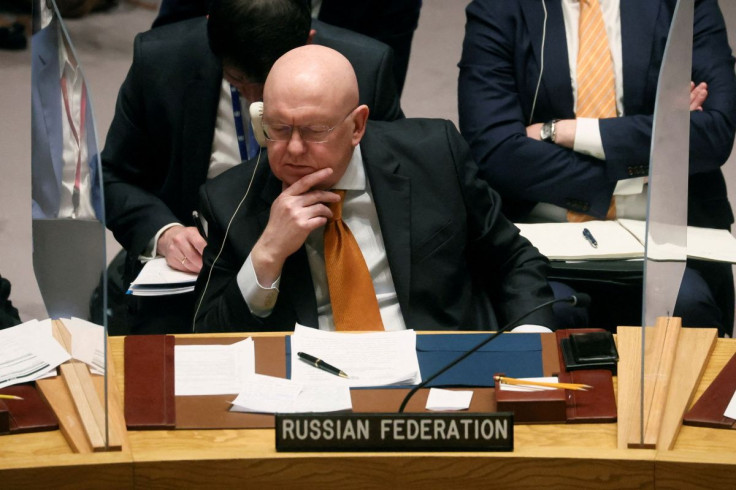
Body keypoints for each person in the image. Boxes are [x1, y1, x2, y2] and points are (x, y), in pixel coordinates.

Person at [193, 44, 557, 333]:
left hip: (441, 371)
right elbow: (206, 341)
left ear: (357, 126)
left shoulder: (435, 156)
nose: (294, 149)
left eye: (315, 130)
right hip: (313, 391)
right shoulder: (231, 201)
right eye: (279, 128)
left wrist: (528, 342)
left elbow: (513, 260)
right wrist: (267, 254)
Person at [101, 0, 403, 333]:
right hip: (197, 270)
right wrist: (164, 234)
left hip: (319, 257)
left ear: (309, 41)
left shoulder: (364, 68)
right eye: (239, 82)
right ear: (210, 36)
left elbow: (394, 177)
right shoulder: (159, 60)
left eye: (272, 77)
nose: (258, 102)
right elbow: (112, 179)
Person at [458, 0, 736, 335]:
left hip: (664, 236)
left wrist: (562, 131)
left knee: (687, 310)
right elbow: (495, 153)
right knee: (548, 318)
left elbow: (713, 134)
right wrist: (650, 164)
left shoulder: (681, 4)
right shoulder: (500, 9)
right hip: (541, 241)